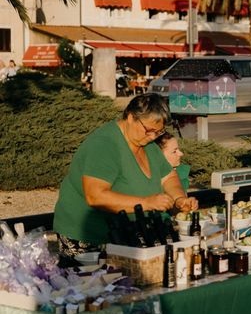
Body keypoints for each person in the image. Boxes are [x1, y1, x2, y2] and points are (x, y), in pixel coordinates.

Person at [54, 93, 197, 261]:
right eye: (149, 130)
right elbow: (96, 196)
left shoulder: (147, 144)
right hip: (89, 237)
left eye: (159, 132)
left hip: (127, 232)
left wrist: (179, 199)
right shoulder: (104, 144)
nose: (152, 137)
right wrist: (147, 203)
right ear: (131, 117)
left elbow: (168, 177)